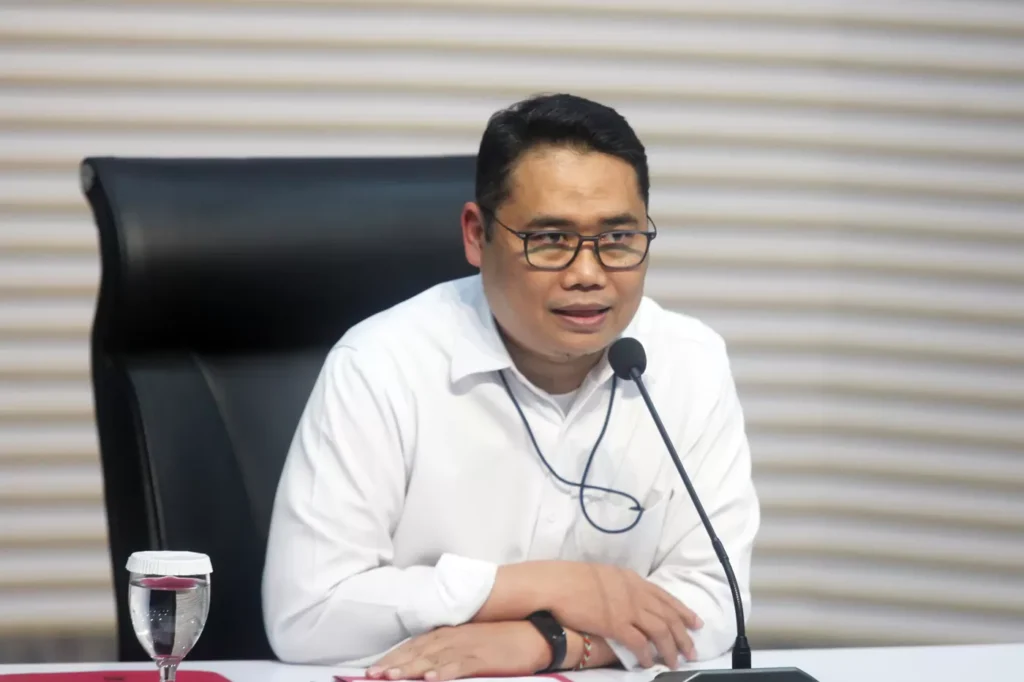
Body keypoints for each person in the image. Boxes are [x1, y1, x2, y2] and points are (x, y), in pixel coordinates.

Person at [261, 93, 760, 680]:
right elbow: (307, 614)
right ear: (477, 235)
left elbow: (716, 599)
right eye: (550, 239)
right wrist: (543, 587)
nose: (588, 274)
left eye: (618, 239)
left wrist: (552, 643)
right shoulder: (381, 364)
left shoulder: (689, 362)